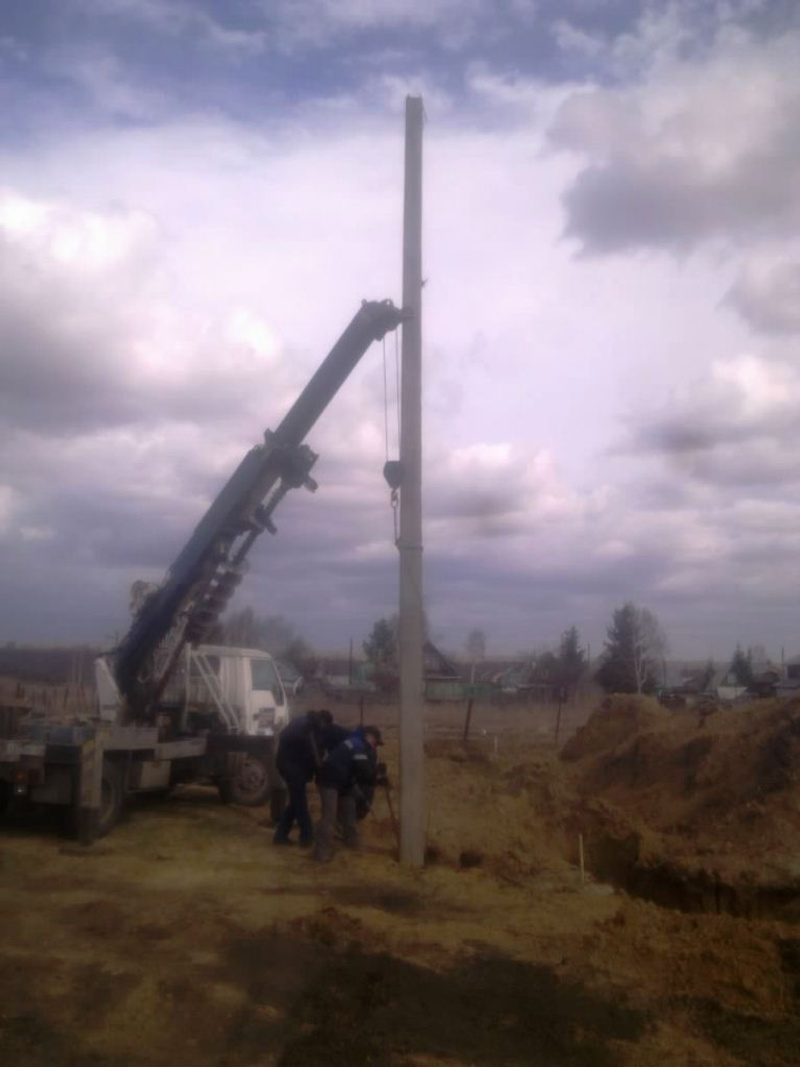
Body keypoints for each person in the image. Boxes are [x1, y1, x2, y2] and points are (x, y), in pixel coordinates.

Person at [312, 724, 382, 863]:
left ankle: (351, 841)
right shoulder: (358, 746)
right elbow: (364, 773)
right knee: (329, 817)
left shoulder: (357, 742)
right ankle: (321, 853)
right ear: (369, 737)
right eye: (376, 742)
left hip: (344, 781)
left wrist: (375, 775)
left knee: (349, 810)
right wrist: (378, 778)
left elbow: (362, 771)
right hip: (329, 781)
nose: (375, 746)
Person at [273, 710, 335, 847]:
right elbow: (313, 753)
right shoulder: (308, 728)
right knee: (300, 803)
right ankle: (307, 837)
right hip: (293, 768)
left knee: (295, 802)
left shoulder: (302, 722)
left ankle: (280, 836)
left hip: (287, 765)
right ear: (323, 721)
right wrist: (319, 771)